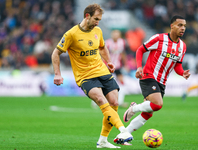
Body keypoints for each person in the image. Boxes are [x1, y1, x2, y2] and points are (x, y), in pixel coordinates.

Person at [51, 3, 133, 148]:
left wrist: (108, 62)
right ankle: (123, 131)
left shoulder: (98, 31)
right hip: (85, 76)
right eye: (96, 19)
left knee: (114, 103)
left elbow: (102, 47)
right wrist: (57, 74)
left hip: (102, 71)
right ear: (87, 16)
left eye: (99, 20)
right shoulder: (71, 34)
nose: (97, 22)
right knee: (102, 100)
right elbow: (56, 53)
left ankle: (102, 140)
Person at [123, 15, 191, 134]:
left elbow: (178, 66)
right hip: (149, 76)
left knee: (148, 113)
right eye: (180, 25)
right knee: (158, 104)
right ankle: (133, 108)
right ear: (172, 26)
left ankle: (123, 134)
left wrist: (182, 73)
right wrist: (139, 67)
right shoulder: (159, 39)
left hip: (162, 81)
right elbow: (140, 50)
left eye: (184, 26)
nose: (183, 28)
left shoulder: (182, 46)